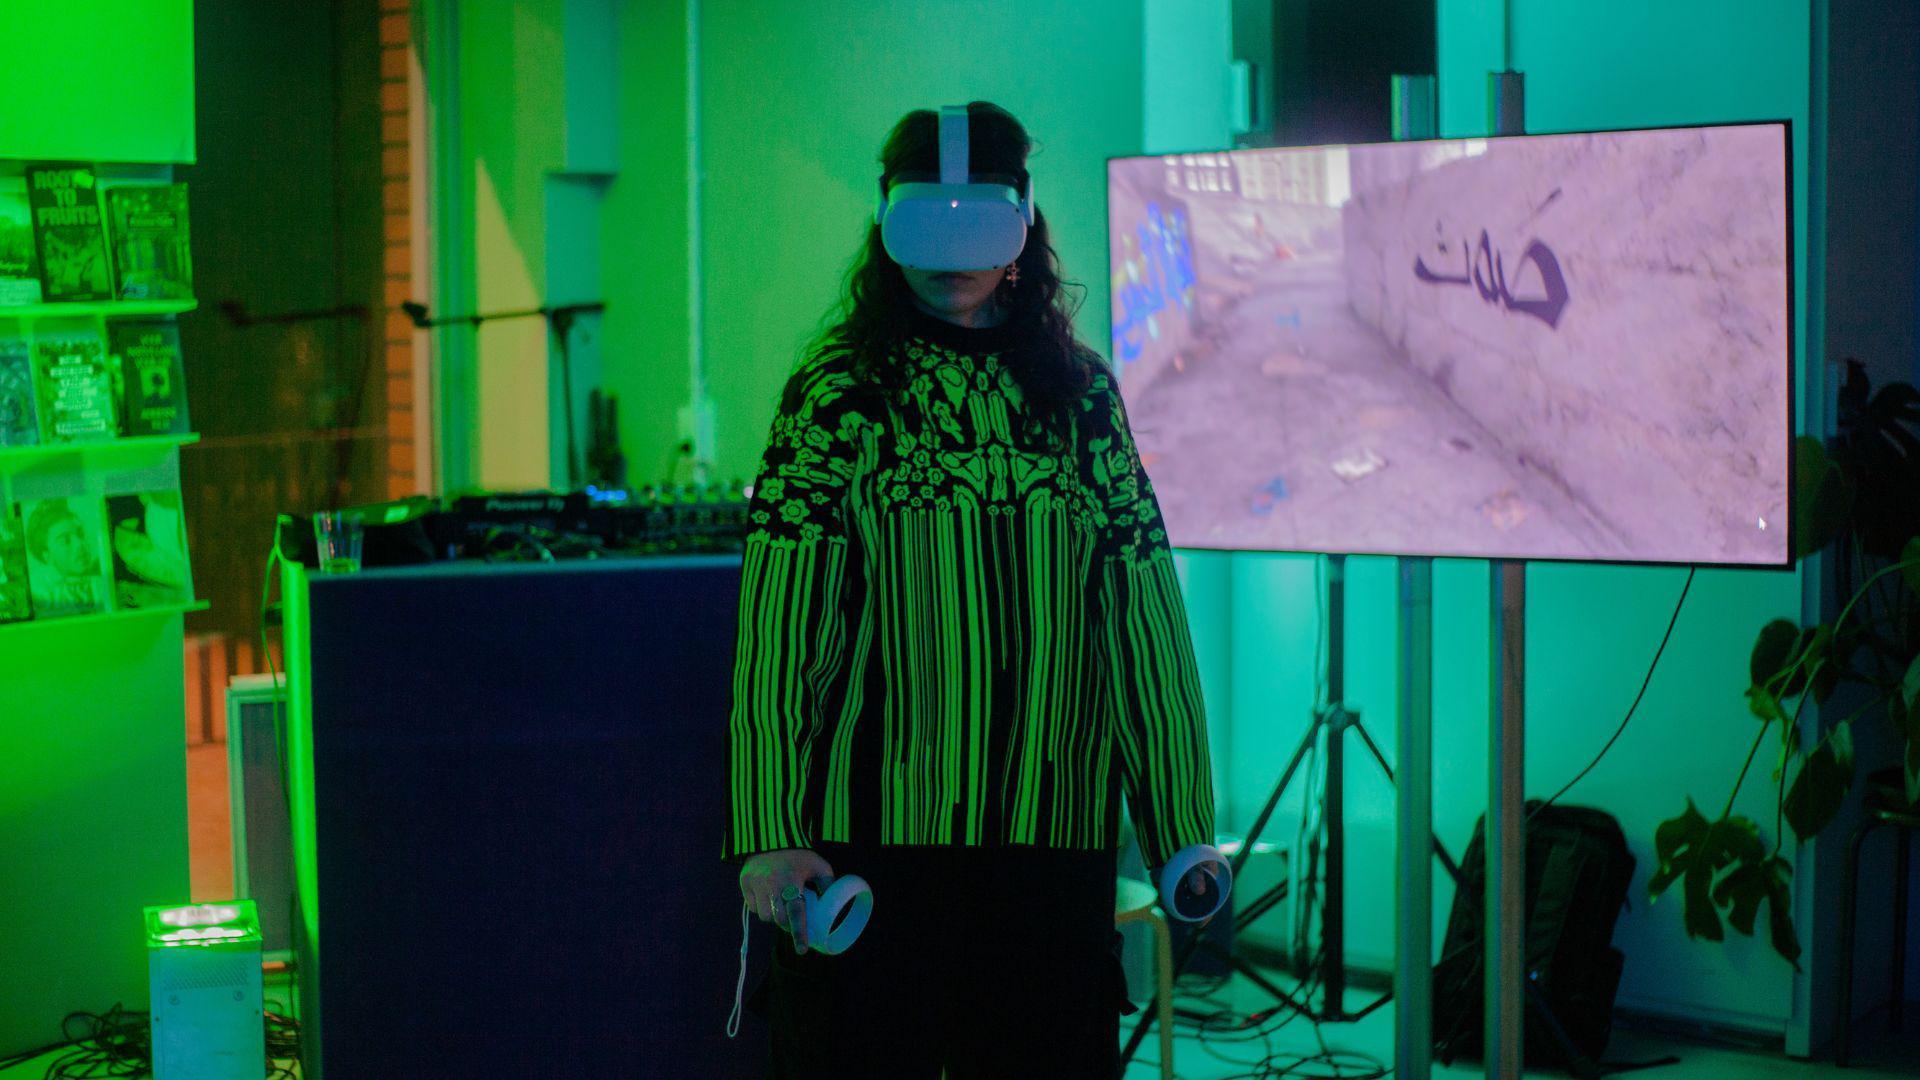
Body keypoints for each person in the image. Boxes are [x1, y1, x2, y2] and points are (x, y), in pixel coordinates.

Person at [724, 101, 1215, 1078]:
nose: (952, 259)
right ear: (889, 222)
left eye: (976, 226)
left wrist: (1180, 828)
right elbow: (782, 626)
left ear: (1024, 222)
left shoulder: (1079, 401)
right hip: (876, 846)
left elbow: (1141, 611)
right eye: (928, 228)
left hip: (1051, 835)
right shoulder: (838, 397)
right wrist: (770, 833)